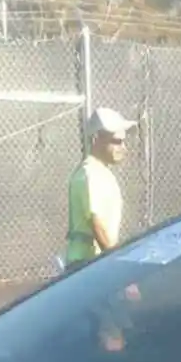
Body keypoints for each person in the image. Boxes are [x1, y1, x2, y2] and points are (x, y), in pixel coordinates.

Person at [65, 108, 135, 270]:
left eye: (124, 142)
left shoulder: (101, 172)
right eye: (117, 141)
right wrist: (118, 270)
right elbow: (97, 223)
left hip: (96, 263)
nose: (123, 148)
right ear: (96, 139)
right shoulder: (90, 174)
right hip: (86, 265)